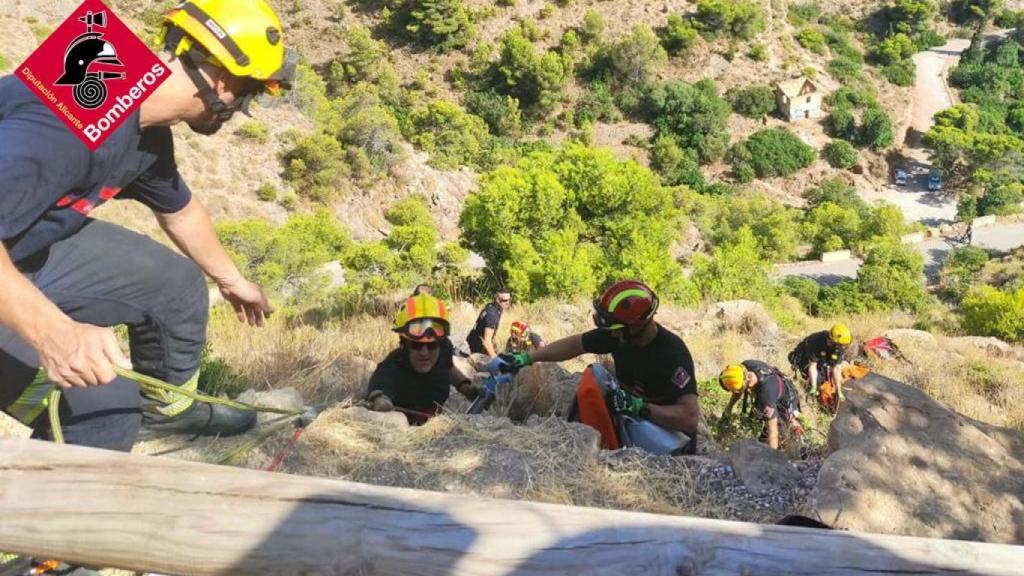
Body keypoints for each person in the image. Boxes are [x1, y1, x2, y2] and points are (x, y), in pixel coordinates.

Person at [0, 0, 296, 452]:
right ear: (221, 80)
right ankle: (52, 510)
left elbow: (180, 209)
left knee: (174, 283)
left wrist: (234, 281)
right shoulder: (65, 129)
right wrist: (54, 334)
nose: (242, 109)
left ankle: (165, 410)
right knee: (107, 409)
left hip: (22, 247)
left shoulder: (136, 116)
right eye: (249, 93)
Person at [494, 280, 700, 454]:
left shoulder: (673, 354)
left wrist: (641, 408)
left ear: (637, 325)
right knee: (596, 376)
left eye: (616, 330)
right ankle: (587, 446)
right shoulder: (621, 335)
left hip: (668, 437)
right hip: (634, 418)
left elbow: (689, 418)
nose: (612, 334)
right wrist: (526, 358)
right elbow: (575, 345)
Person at [366, 295, 479, 425]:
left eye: (431, 345)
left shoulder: (444, 348)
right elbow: (379, 392)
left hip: (436, 422)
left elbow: (448, 367)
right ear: (404, 345)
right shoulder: (391, 367)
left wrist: (465, 387)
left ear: (440, 343)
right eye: (416, 345)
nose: (424, 353)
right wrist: (381, 402)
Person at [718, 361, 806, 451]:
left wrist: (772, 455)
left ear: (747, 382)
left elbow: (772, 430)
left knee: (784, 426)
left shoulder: (765, 395)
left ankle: (802, 445)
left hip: (786, 398)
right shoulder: (744, 367)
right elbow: (738, 389)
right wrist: (729, 408)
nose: (733, 393)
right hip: (775, 386)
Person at [788, 323, 852, 401]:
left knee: (831, 378)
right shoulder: (816, 341)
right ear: (832, 341)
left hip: (823, 357)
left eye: (844, 345)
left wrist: (838, 389)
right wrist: (814, 387)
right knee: (818, 380)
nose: (843, 348)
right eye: (841, 345)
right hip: (805, 357)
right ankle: (810, 386)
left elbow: (836, 369)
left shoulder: (839, 347)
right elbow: (813, 366)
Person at [466, 290, 511, 358]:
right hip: (478, 344)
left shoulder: (491, 306)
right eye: (504, 300)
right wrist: (495, 358)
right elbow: (486, 340)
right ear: (497, 299)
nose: (508, 303)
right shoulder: (492, 315)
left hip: (474, 338)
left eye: (509, 300)